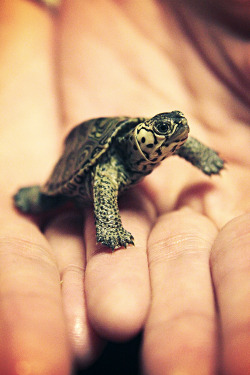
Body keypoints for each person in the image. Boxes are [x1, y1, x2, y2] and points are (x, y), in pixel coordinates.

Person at [0, 1, 249, 374]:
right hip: (80, 162)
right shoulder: (112, 161)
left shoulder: (160, 138)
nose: (175, 133)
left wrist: (204, 158)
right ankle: (37, 194)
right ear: (143, 138)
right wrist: (110, 227)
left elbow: (181, 141)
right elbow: (103, 181)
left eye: (176, 128)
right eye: (164, 130)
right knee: (47, 199)